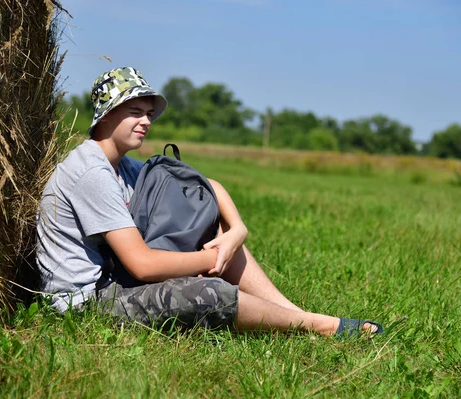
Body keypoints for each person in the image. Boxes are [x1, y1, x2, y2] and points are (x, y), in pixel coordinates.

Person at [36, 67, 383, 337]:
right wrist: (211, 258)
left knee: (210, 227)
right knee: (208, 293)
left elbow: (203, 188)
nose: (146, 122)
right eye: (135, 111)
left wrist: (236, 232)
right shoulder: (91, 173)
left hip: (115, 279)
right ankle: (317, 326)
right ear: (107, 115)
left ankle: (295, 313)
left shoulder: (122, 166)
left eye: (149, 114)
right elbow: (141, 265)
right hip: (87, 303)